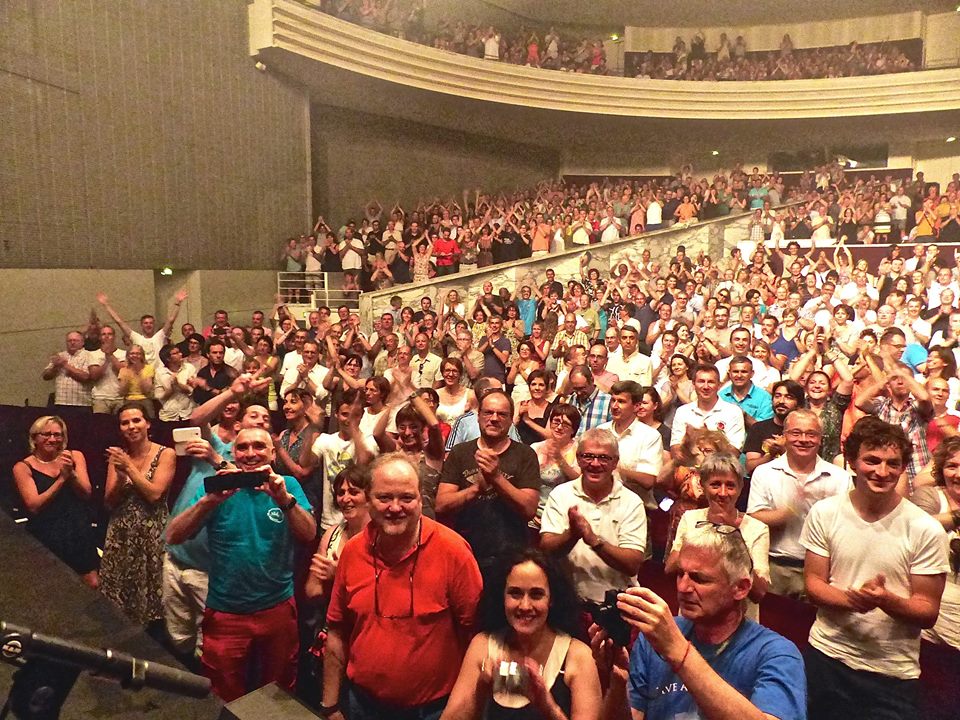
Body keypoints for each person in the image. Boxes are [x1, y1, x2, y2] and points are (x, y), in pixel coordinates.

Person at [801, 415, 948, 719]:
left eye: (893, 463)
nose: (882, 472)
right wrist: (854, 601)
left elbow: (927, 611)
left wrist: (885, 600)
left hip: (891, 673)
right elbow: (813, 583)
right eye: (872, 460)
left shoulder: (925, 529)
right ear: (852, 462)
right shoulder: (825, 513)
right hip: (826, 657)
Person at [321, 454, 483, 720]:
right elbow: (337, 630)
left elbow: (477, 639)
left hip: (432, 711)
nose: (395, 507)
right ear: (368, 500)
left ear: (421, 499)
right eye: (384, 498)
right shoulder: (351, 552)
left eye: (406, 498)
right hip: (361, 705)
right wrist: (330, 706)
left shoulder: (453, 551)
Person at [595, 524, 806, 720]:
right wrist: (617, 682)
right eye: (680, 574)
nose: (683, 587)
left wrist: (677, 650)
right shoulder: (654, 638)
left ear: (741, 588)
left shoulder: (777, 653)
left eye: (699, 579)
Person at [165, 427, 316, 701]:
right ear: (233, 453)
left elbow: (308, 534)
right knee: (223, 693)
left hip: (277, 608)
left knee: (279, 691)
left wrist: (283, 499)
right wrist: (209, 502)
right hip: (226, 612)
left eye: (259, 447)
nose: (250, 454)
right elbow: (174, 535)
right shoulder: (216, 486)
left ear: (272, 453)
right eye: (243, 447)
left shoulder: (288, 485)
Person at [440, 549, 602, 720]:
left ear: (551, 599)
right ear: (502, 596)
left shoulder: (578, 656)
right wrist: (480, 691)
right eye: (515, 593)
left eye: (536, 595)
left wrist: (548, 709)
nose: (525, 606)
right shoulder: (482, 645)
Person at [747, 409, 850, 598]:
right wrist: (790, 511)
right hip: (776, 567)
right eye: (796, 433)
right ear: (784, 436)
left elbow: (846, 526)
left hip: (822, 572)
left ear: (820, 439)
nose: (803, 439)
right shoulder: (764, 472)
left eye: (811, 434)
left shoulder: (839, 478)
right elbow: (753, 518)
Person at [437, 390, 541, 575]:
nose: (494, 418)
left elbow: (529, 509)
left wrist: (496, 478)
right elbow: (442, 505)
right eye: (488, 412)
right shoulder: (460, 452)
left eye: (502, 414)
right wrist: (475, 489)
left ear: (510, 420)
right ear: (478, 417)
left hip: (513, 554)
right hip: (466, 551)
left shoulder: (525, 455)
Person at [540, 428, 646, 605]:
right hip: (567, 602)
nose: (595, 464)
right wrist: (572, 534)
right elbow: (546, 550)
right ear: (578, 458)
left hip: (616, 603)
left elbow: (632, 563)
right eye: (588, 456)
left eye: (604, 458)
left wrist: (595, 541)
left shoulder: (631, 502)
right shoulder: (561, 494)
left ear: (615, 462)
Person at [666, 453, 769, 621]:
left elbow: (758, 593)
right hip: (693, 619)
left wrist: (733, 534)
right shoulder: (690, 519)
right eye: (715, 484)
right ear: (703, 485)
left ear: (740, 489)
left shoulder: (757, 529)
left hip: (738, 624)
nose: (722, 493)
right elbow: (670, 569)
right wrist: (706, 530)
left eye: (730, 486)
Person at [99, 403, 176, 626]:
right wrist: (120, 478)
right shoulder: (118, 456)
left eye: (136, 420)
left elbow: (154, 494)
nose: (131, 426)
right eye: (125, 422)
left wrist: (129, 469)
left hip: (152, 531)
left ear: (147, 423)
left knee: (154, 598)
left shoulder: (165, 453)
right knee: (121, 601)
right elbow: (109, 502)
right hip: (122, 532)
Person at [12, 416, 98, 587]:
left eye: (57, 435)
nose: (52, 439)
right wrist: (61, 479)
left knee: (91, 584)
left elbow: (86, 493)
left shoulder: (75, 456)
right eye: (46, 434)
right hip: (46, 533)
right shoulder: (22, 467)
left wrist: (71, 475)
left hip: (78, 531)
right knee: (53, 588)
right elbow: (34, 506)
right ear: (35, 438)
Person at [913, 435, 960, 650]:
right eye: (952, 466)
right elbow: (918, 529)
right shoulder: (930, 496)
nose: (958, 474)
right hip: (936, 611)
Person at [304, 465, 371, 602]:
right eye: (341, 493)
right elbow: (311, 589)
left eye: (353, 492)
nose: (345, 499)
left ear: (369, 496)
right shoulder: (331, 534)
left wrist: (340, 575)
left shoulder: (380, 536)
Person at [670, 364, 745, 457]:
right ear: (693, 384)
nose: (706, 386)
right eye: (701, 381)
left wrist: (705, 437)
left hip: (720, 469)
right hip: (690, 468)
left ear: (719, 385)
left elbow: (734, 451)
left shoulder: (733, 412)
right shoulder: (682, 412)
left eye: (711, 382)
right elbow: (675, 449)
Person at [743, 379, 805, 473]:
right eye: (777, 396)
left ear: (799, 404)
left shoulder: (804, 431)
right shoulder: (758, 428)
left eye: (788, 397)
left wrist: (783, 450)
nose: (781, 401)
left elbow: (805, 467)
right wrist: (771, 454)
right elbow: (749, 467)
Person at [41, 331, 93, 409]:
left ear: (82, 342)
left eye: (75, 340)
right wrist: (55, 367)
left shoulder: (89, 355)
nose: (72, 342)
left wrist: (65, 365)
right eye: (70, 340)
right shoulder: (60, 355)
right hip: (60, 402)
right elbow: (45, 376)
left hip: (82, 403)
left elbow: (86, 377)